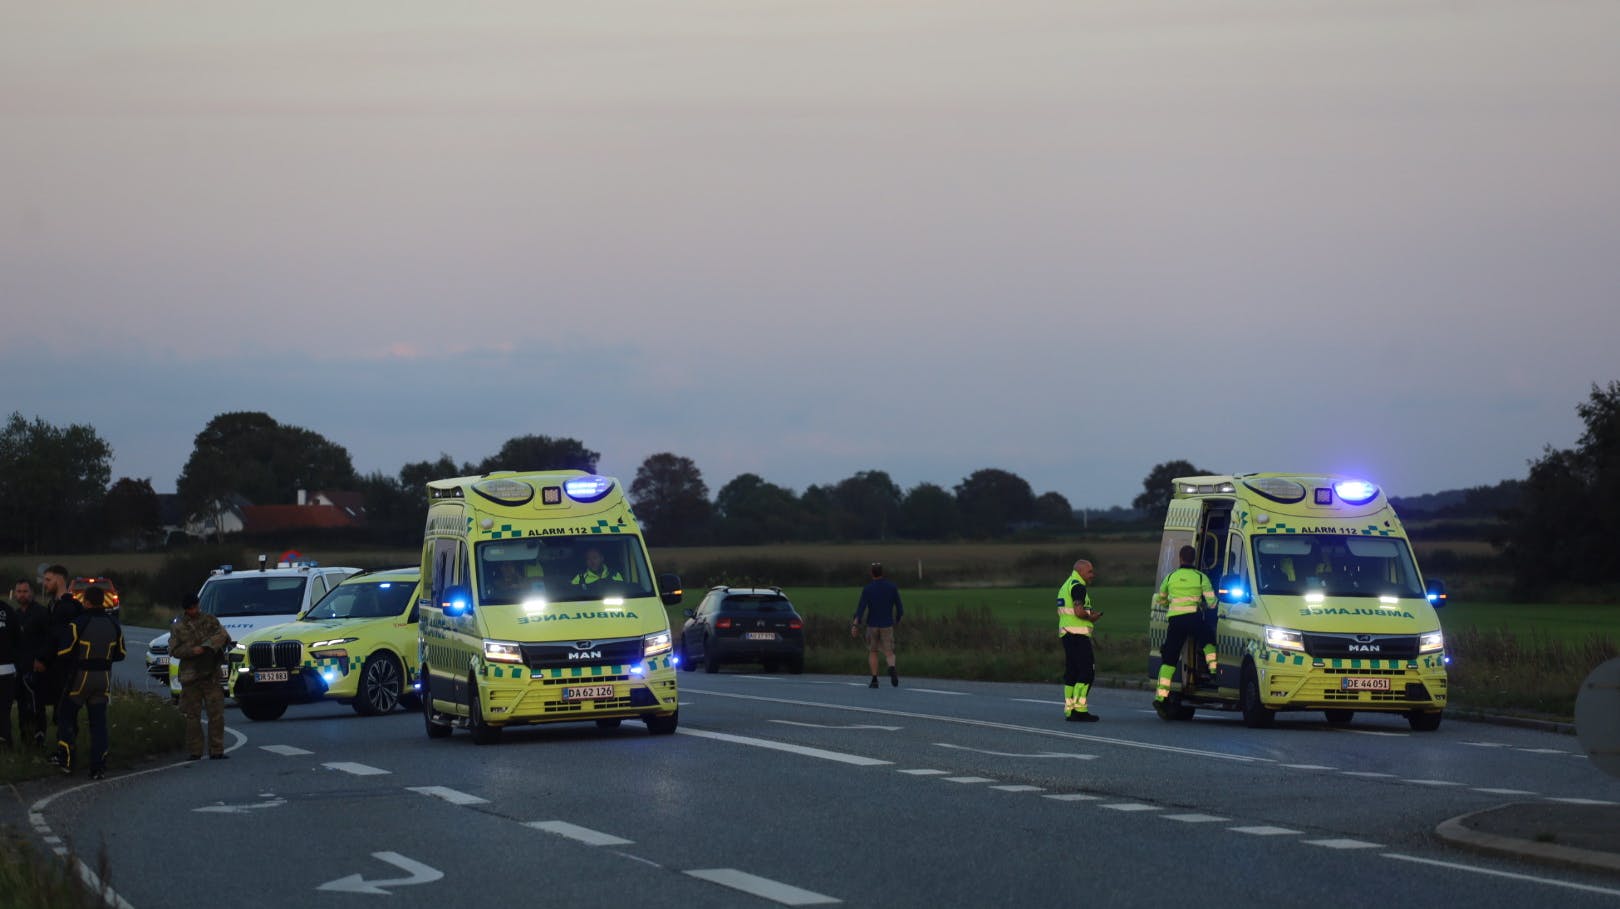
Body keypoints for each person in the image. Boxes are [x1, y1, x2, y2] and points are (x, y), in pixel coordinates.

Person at [50, 587, 125, 778]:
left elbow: (63, 652)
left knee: (66, 716)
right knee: (98, 724)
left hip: (81, 678)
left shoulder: (79, 623)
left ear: (87, 602)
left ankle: (67, 761)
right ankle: (98, 767)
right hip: (103, 678)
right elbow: (121, 654)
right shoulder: (114, 624)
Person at [1154, 545, 1218, 704]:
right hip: (1194, 618)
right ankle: (1213, 670)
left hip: (1175, 621)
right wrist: (1205, 604)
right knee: (1208, 639)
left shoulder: (1170, 577)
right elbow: (1212, 603)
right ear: (1194, 559)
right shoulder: (1201, 577)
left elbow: (1161, 599)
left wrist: (1169, 604)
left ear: (1180, 558)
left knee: (1169, 658)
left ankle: (1160, 696)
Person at [171, 591, 229, 760]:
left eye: (195, 607)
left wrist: (207, 646)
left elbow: (223, 635)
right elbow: (174, 650)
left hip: (211, 673)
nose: (194, 611)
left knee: (216, 714)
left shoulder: (210, 620)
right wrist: (192, 651)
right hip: (190, 676)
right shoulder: (178, 627)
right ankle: (195, 751)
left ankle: (217, 749)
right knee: (192, 716)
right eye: (190, 608)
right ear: (186, 609)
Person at [39, 566, 82, 740]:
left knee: (65, 712)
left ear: (59, 580)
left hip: (66, 666)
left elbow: (57, 637)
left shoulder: (68, 607)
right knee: (59, 709)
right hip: (56, 666)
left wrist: (43, 658)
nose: (45, 584)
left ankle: (67, 749)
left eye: (48, 580)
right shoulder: (54, 605)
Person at [1056, 559, 1101, 722]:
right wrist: (1091, 617)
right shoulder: (1078, 586)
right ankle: (1080, 710)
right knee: (1087, 672)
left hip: (1067, 634)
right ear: (1080, 571)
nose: (1092, 575)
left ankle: (1070, 710)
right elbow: (1079, 611)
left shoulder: (1066, 585)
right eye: (1089, 572)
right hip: (1078, 635)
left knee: (1072, 673)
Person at [850, 562, 903, 688]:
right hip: (887, 624)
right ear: (882, 572)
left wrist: (855, 624)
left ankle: (874, 679)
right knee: (889, 651)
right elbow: (900, 608)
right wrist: (897, 619)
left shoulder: (868, 589)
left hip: (872, 624)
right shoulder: (892, 587)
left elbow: (861, 608)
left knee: (873, 651)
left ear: (871, 573)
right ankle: (892, 667)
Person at [13, 578, 51, 745]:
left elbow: (50, 639)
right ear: (15, 594)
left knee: (37, 704)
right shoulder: (14, 615)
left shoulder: (41, 613)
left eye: (25, 591)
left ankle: (39, 738)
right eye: (19, 591)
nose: (22, 595)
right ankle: (25, 739)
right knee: (22, 705)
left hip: (36, 666)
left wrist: (42, 659)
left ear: (32, 593)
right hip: (19, 667)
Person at [0, 592, 17, 748]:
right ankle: (6, 741)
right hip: (7, 669)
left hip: (6, 668)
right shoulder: (8, 610)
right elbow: (16, 638)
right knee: (4, 710)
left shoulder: (8, 611)